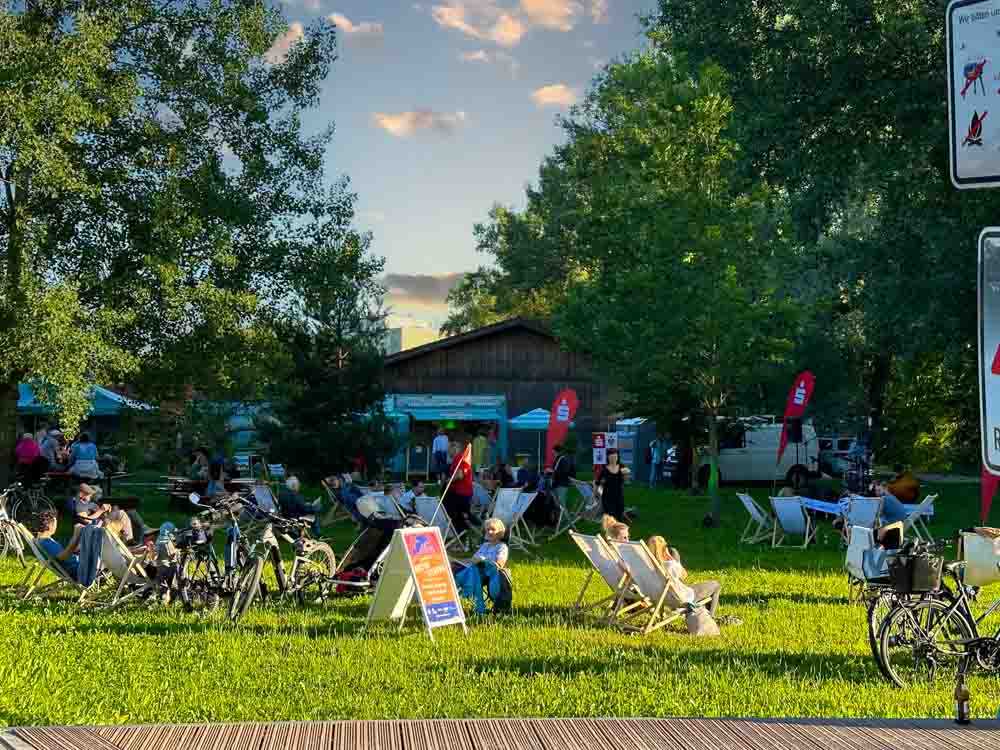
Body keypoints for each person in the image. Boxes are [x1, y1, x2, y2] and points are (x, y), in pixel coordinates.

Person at [647, 535, 722, 617]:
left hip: (661, 597)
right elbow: (684, 575)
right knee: (716, 585)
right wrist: (671, 557)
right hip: (681, 598)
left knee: (691, 586)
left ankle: (703, 613)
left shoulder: (648, 567)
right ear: (664, 548)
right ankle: (711, 618)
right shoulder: (670, 565)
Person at [454, 517, 509, 615]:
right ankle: (473, 602)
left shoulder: (502, 547)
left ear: (500, 532)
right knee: (470, 569)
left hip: (491, 573)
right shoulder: (485, 546)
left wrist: (485, 560)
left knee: (470, 572)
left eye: (493, 529)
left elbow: (500, 564)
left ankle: (461, 594)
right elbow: (473, 559)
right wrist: (459, 561)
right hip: (478, 571)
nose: (489, 532)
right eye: (488, 530)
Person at [32, 510, 81, 579]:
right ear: (49, 525)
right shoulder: (46, 542)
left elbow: (63, 554)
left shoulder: (42, 540)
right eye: (55, 523)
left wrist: (76, 545)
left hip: (77, 566)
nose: (56, 526)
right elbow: (63, 557)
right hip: (78, 571)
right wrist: (76, 536)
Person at [442, 442, 474, 534]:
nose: (448, 452)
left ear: (454, 449)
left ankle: (461, 535)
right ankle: (461, 533)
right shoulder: (458, 459)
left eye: (449, 450)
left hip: (460, 493)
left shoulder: (459, 458)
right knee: (459, 515)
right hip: (462, 492)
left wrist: (449, 480)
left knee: (455, 515)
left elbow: (460, 475)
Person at [596, 448, 629, 523]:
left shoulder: (622, 466)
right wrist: (596, 493)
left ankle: (619, 533)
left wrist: (626, 475)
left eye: (615, 457)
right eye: (611, 457)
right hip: (607, 497)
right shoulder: (604, 469)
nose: (614, 459)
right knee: (610, 519)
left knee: (619, 517)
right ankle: (609, 532)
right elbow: (597, 482)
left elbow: (625, 481)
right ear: (607, 458)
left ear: (618, 457)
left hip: (619, 496)